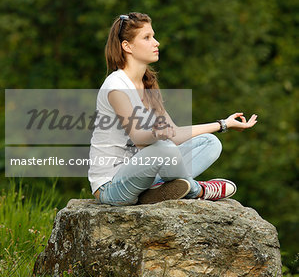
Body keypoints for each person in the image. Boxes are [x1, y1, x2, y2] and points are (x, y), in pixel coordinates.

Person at [88, 12, 257, 206]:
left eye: (154, 36)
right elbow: (139, 138)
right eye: (147, 38)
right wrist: (157, 133)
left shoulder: (147, 84)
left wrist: (223, 124)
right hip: (112, 186)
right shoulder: (116, 86)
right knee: (163, 148)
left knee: (210, 142)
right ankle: (198, 190)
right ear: (127, 46)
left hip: (145, 173)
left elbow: (174, 135)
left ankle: (157, 190)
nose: (156, 42)